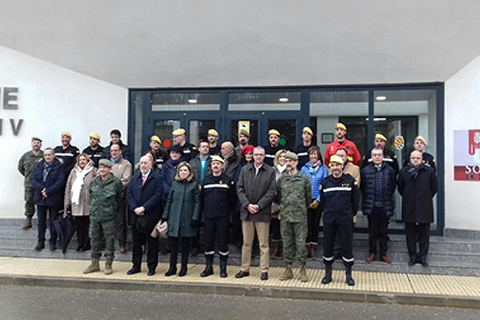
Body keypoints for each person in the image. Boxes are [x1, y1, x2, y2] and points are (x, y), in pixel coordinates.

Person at [236, 146, 276, 281]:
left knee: (263, 244)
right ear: (252, 156)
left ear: (264, 156)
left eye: (261, 155)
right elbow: (239, 188)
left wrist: (259, 206)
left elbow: (271, 191)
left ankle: (264, 270)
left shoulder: (270, 171)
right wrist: (247, 205)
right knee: (247, 243)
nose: (258, 157)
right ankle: (244, 268)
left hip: (262, 212)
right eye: (256, 155)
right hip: (247, 212)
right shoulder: (244, 170)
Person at [320, 155, 360, 286]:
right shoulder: (325, 182)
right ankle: (328, 274)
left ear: (342, 166)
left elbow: (355, 202)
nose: (335, 168)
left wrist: (349, 214)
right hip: (330, 220)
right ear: (330, 167)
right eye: (332, 165)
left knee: (347, 246)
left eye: (337, 165)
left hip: (345, 219)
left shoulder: (350, 181)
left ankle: (348, 274)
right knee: (328, 246)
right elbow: (323, 202)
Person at [83, 159, 123, 275]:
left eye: (104, 167)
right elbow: (90, 195)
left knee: (109, 240)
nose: (102, 169)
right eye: (100, 167)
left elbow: (119, 198)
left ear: (110, 169)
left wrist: (111, 209)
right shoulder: (94, 181)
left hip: (109, 217)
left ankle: (108, 263)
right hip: (95, 216)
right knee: (94, 240)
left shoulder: (116, 182)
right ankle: (94, 263)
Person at [398, 150, 438, 267]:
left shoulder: (429, 172)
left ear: (422, 159)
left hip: (424, 206)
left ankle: (423, 257)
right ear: (410, 159)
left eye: (418, 158)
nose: (415, 160)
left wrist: (425, 197)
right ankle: (412, 256)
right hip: (409, 206)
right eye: (413, 158)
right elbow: (401, 188)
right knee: (410, 233)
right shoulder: (404, 172)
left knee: (424, 234)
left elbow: (434, 188)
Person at [277, 151, 311, 282]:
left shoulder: (303, 178)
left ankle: (302, 269)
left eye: (291, 161)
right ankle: (288, 269)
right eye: (287, 161)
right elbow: (279, 195)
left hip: (300, 217)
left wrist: (301, 208)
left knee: (301, 244)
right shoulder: (282, 178)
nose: (289, 163)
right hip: (285, 217)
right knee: (287, 244)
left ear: (296, 162)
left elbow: (308, 197)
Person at [126, 155, 163, 276]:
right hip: (136, 216)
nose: (143, 165)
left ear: (151, 164)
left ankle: (151, 267)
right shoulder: (135, 177)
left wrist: (144, 207)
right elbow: (129, 193)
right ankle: (136, 266)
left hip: (151, 215)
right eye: (141, 163)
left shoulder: (157, 178)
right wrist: (134, 208)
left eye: (145, 163)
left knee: (152, 243)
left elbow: (157, 195)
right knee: (137, 243)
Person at [162, 162, 201, 277]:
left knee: (185, 245)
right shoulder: (174, 184)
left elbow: (198, 202)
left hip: (188, 218)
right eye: (181, 170)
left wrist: (195, 217)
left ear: (189, 172)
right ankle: (172, 267)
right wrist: (165, 215)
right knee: (173, 245)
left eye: (185, 170)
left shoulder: (194, 185)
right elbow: (169, 201)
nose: (183, 173)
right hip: (174, 218)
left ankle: (184, 267)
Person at [200, 156, 237, 278]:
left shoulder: (228, 181)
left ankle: (223, 268)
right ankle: (208, 267)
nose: (215, 166)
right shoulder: (206, 180)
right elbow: (202, 198)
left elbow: (232, 199)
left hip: (222, 217)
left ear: (222, 166)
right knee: (208, 242)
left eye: (218, 164)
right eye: (213, 164)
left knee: (222, 242)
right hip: (209, 216)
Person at [362, 148, 397, 264]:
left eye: (379, 155)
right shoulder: (365, 171)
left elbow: (392, 187)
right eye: (375, 155)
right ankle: (372, 253)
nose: (377, 157)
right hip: (371, 205)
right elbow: (363, 188)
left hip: (384, 205)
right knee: (372, 231)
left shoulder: (390, 171)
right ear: (371, 157)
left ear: (383, 157)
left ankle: (383, 254)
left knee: (383, 232)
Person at [30, 148, 65, 251]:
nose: (47, 157)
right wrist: (42, 189)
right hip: (40, 198)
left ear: (53, 156)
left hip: (53, 198)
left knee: (53, 221)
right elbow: (33, 179)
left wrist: (48, 191)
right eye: (45, 155)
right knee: (41, 222)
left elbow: (60, 181)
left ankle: (53, 241)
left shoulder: (59, 166)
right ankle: (40, 241)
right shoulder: (39, 166)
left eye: (49, 155)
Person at [300, 146, 329, 260]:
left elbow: (324, 185)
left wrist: (318, 199)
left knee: (315, 225)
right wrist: (306, 199)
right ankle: (306, 248)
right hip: (306, 200)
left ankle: (313, 250)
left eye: (315, 154)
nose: (313, 156)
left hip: (318, 200)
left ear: (319, 156)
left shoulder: (323, 169)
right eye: (311, 154)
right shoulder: (303, 169)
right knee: (306, 225)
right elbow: (301, 185)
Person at [64, 153, 95, 251]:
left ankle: (88, 243)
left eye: (84, 160)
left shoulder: (93, 171)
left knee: (88, 225)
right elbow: (68, 187)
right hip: (76, 204)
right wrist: (67, 202)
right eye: (80, 160)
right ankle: (80, 243)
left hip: (88, 203)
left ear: (88, 161)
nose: (82, 162)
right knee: (79, 225)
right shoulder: (73, 172)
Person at [110, 142, 132, 254]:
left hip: (120, 197)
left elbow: (126, 180)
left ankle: (122, 244)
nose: (113, 153)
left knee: (120, 221)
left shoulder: (126, 164)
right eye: (112, 151)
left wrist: (112, 187)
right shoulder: (107, 164)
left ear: (120, 152)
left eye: (115, 150)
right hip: (107, 198)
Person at [18, 137, 44, 230]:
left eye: (38, 143)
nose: (36, 144)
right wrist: (27, 176)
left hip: (42, 184)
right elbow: (20, 168)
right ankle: (28, 219)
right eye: (34, 143)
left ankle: (42, 221)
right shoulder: (26, 156)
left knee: (42, 201)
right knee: (29, 201)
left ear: (41, 144)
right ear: (31, 144)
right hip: (29, 184)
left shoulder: (44, 155)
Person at [232, 145, 255, 248]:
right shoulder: (240, 167)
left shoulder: (257, 166)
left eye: (251, 154)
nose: (249, 156)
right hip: (241, 198)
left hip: (254, 198)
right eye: (247, 154)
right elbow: (237, 182)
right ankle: (238, 241)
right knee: (239, 221)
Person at [271, 149, 287, 259]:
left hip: (286, 202)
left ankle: (285, 250)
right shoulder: (272, 170)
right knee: (275, 225)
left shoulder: (290, 170)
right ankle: (276, 249)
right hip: (274, 202)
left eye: (284, 156)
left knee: (285, 227)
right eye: (280, 156)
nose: (282, 158)